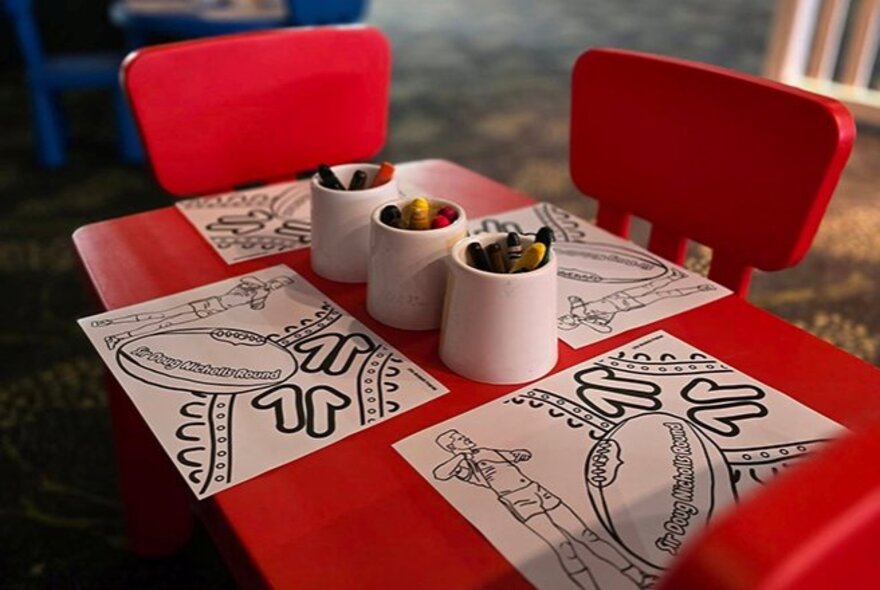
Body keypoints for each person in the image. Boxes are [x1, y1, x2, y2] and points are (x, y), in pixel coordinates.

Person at [432, 429, 655, 590]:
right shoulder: (464, 467)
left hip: (537, 490)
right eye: (459, 439)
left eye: (462, 436)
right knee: (563, 546)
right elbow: (440, 473)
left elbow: (519, 455)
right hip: (519, 501)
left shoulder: (484, 452)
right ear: (453, 447)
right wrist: (464, 456)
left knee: (587, 535)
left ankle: (637, 576)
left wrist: (498, 454)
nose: (466, 438)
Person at [92, 275, 294, 350]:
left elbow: (256, 308)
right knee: (159, 314)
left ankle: (121, 337)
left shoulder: (262, 294)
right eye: (277, 282)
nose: (275, 284)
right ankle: (109, 324)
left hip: (215, 308)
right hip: (209, 301)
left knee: (166, 323)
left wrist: (264, 294)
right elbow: (245, 281)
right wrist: (262, 287)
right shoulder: (256, 283)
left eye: (278, 285)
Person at [559, 269, 714, 333]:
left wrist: (579, 310)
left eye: (561, 319)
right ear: (572, 324)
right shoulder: (591, 322)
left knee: (650, 286)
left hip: (615, 297)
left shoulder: (576, 310)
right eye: (565, 321)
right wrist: (585, 320)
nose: (563, 318)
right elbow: (605, 329)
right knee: (663, 294)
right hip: (627, 305)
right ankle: (698, 289)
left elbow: (574, 298)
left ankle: (674, 277)